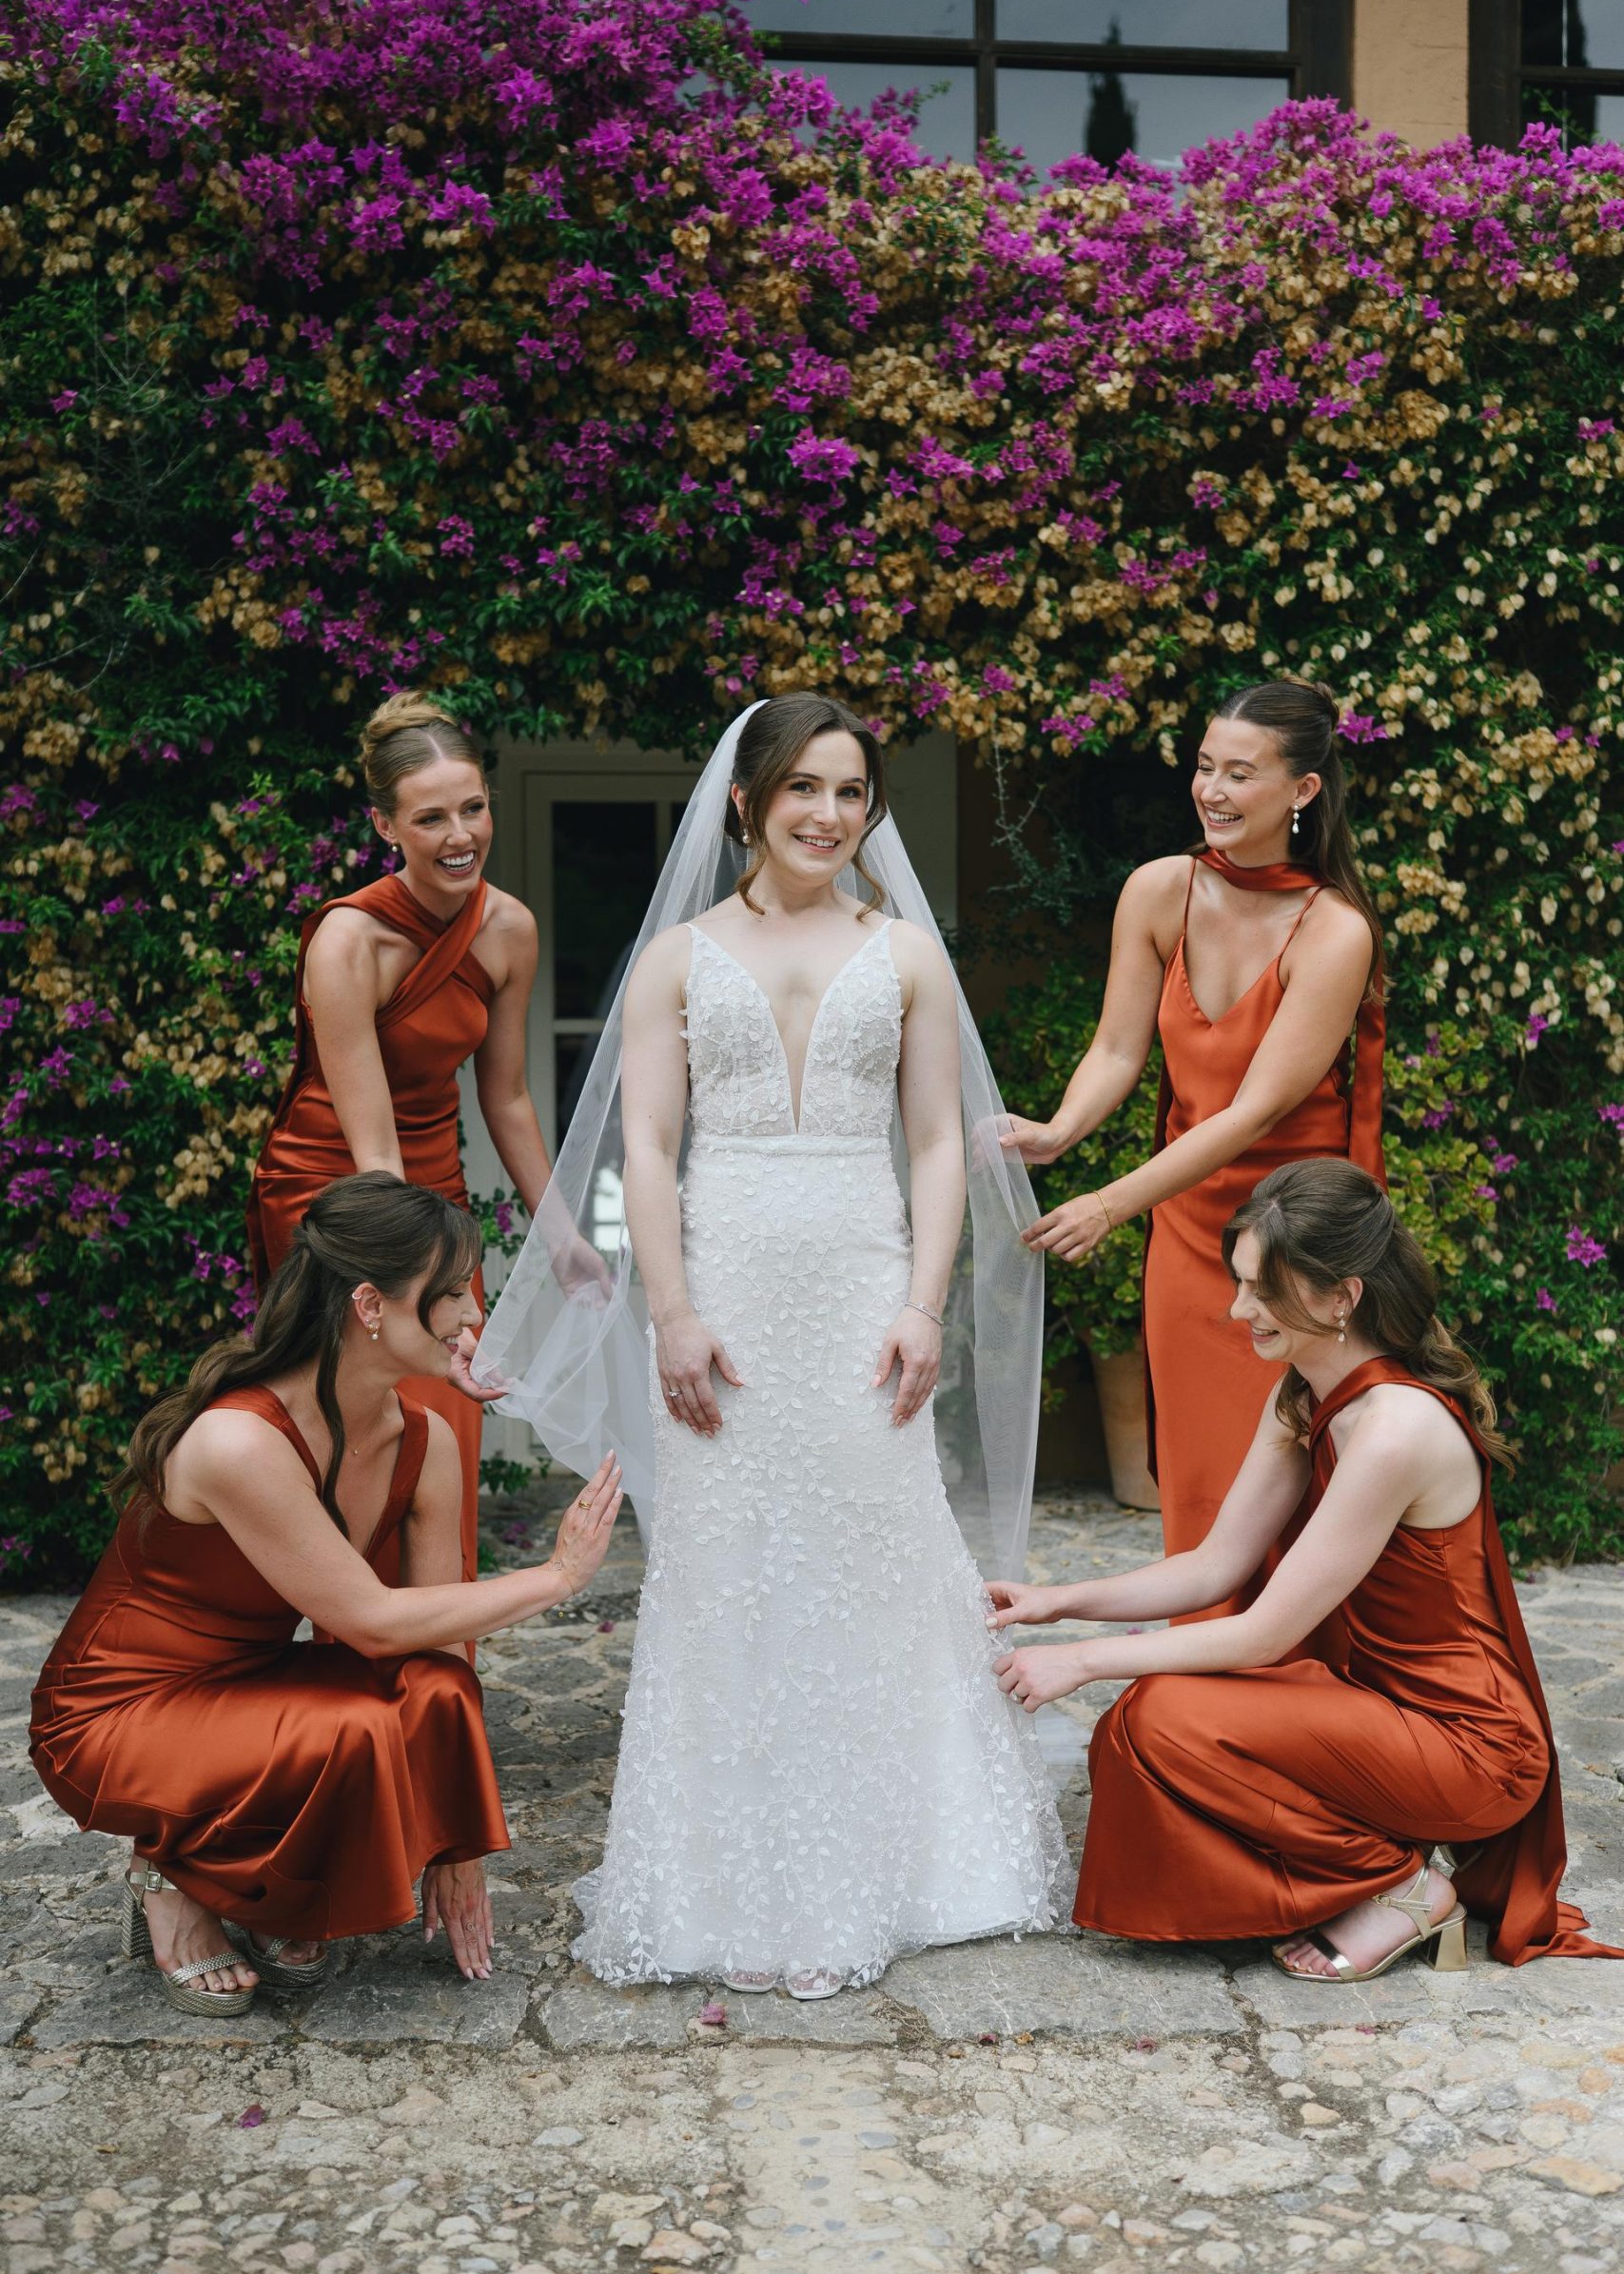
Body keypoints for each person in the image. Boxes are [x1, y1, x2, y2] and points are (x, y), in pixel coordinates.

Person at [476, 692, 1066, 1998]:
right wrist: (673, 1312)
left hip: (864, 1287)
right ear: (745, 801)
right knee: (725, 1566)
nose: (828, 814)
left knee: (874, 1553)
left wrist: (922, 1304)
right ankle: (721, 1875)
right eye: (803, 787)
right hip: (726, 1287)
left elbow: (933, 1143)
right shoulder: (676, 959)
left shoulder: (904, 955)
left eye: (850, 792)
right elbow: (646, 1147)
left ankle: (908, 1862)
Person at [988, 1157, 1620, 1979]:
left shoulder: (1394, 1430)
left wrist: (1079, 1661)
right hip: (1380, 1712)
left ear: (1340, 1297)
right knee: (1139, 1725)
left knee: (1164, 1719)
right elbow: (1214, 1565)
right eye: (1239, 1282)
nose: (1236, 1308)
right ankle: (1373, 1866)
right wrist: (1054, 1602)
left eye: (1261, 1289)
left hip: (1471, 1746)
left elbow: (1263, 1633)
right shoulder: (1302, 1392)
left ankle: (1404, 1887)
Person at [31, 1174, 621, 2018]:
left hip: (249, 1686)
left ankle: (268, 1894)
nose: (471, 1315)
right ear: (371, 1305)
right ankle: (170, 1875)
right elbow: (372, 1624)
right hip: (117, 1713)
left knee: (439, 1688)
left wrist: (458, 1839)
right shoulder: (238, 1441)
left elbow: (437, 1646)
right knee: (355, 1728)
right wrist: (557, 1578)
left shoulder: (425, 1440)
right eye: (452, 1293)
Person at [1003, 679, 1386, 1595]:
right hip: (1184, 1232)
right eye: (1204, 767)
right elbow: (1114, 1049)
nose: (1211, 790)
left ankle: (1291, 1661)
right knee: (1202, 1473)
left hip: (1295, 1245)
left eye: (1239, 773)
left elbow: (1252, 1112)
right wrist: (1060, 1129)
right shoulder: (1156, 891)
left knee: (1293, 1481)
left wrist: (1108, 1203)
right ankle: (1207, 1662)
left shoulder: (1334, 932)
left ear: (1301, 790)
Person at [246, 693, 593, 1585]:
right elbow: (374, 1154)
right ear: (385, 826)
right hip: (334, 1195)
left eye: (472, 808)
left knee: (445, 1416)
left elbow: (506, 1097)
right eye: (431, 817)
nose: (459, 835)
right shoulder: (347, 940)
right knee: (354, 1421)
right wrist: (422, 1274)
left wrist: (561, 1239)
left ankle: (435, 1652)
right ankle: (356, 1634)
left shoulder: (509, 928)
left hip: (433, 1191)